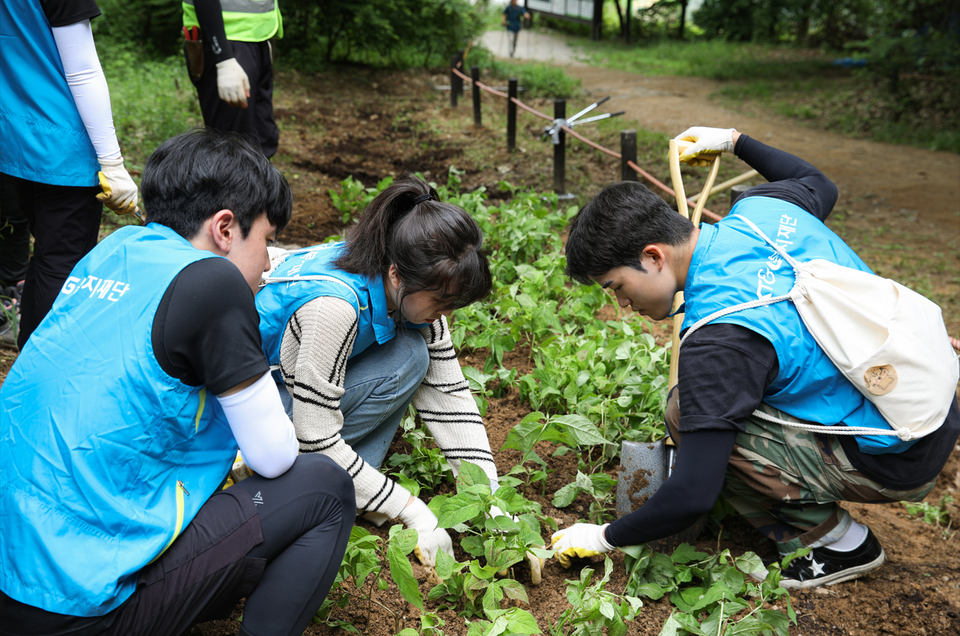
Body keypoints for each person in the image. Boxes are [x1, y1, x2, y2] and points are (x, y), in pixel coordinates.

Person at [550, 126, 960, 589]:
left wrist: (605, 537)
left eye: (617, 288)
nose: (622, 306)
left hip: (897, 456)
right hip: (928, 395)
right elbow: (819, 181)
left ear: (653, 256)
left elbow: (692, 494)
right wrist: (734, 141)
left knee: (685, 412)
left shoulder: (720, 337)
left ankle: (834, 542)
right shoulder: (764, 212)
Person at [0, 129, 355, 636]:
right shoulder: (214, 281)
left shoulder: (115, 249)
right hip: (72, 607)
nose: (267, 265)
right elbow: (273, 457)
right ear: (225, 229)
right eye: (267, 242)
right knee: (323, 487)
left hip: (12, 567)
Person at [256, 176, 516, 572]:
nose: (445, 313)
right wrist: (411, 510)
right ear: (396, 275)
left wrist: (494, 509)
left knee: (412, 355)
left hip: (291, 391)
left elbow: (451, 398)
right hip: (247, 419)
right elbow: (315, 437)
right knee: (406, 360)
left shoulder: (412, 288)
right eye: (441, 301)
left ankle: (353, 488)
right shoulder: (334, 310)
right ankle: (322, 491)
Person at [0, 0, 140, 350]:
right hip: (58, 144)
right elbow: (82, 69)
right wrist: (113, 163)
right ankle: (42, 376)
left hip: (8, 139)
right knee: (60, 264)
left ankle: (27, 364)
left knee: (44, 260)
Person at [182, 0, 281, 158]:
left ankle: (257, 183)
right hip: (226, 43)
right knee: (232, 151)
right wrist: (223, 60)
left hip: (256, 40)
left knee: (262, 139)